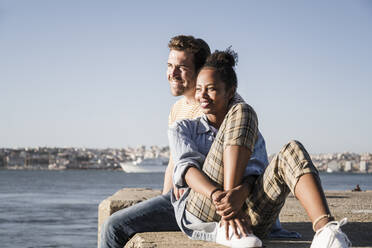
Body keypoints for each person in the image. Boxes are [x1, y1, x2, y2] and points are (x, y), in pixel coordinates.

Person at [100, 35, 289, 248]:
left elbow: (250, 163)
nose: (172, 73)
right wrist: (166, 203)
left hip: (218, 203)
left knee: (114, 227)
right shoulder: (178, 110)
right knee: (113, 227)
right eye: (170, 65)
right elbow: (174, 163)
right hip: (185, 202)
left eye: (181, 67)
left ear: (201, 70)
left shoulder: (228, 108)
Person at [168, 48, 352, 248]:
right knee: (243, 110)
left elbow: (257, 172)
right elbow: (187, 169)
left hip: (250, 217)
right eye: (198, 89)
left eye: (211, 88)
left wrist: (242, 192)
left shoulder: (248, 128)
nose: (202, 95)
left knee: (292, 149)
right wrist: (223, 200)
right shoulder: (182, 129)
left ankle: (326, 232)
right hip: (203, 209)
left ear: (230, 91)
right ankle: (228, 222)